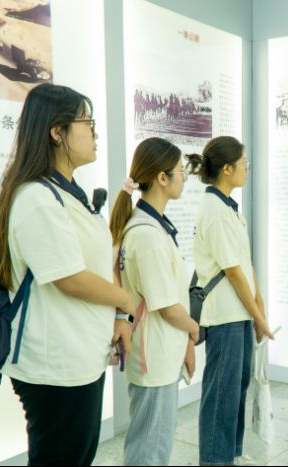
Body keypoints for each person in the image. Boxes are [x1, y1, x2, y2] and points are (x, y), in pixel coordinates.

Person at [0, 83, 137, 465]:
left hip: (81, 359)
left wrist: (121, 316)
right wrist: (127, 301)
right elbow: (70, 278)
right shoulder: (36, 198)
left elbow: (95, 266)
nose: (96, 133)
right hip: (55, 370)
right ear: (57, 131)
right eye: (88, 123)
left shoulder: (66, 192)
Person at [109, 137, 200, 466]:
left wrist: (185, 342)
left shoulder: (151, 226)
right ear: (162, 177)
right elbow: (167, 306)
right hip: (154, 357)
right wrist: (194, 330)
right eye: (179, 171)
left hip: (161, 351)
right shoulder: (146, 234)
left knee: (154, 445)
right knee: (149, 450)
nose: (183, 178)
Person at [187, 136, 275, 466]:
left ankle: (232, 454)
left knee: (237, 387)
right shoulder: (214, 210)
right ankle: (215, 460)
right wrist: (259, 317)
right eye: (243, 164)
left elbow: (245, 264)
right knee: (221, 393)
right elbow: (233, 271)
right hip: (223, 314)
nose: (246, 169)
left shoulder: (228, 207)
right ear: (227, 169)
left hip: (239, 311)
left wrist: (259, 306)